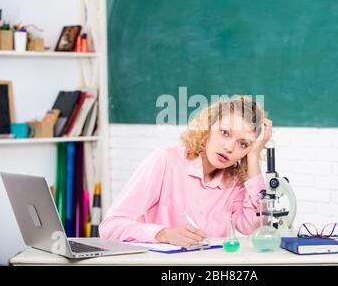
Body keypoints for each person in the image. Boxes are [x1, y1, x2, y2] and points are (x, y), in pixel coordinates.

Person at [99, 96, 272, 246]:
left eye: (243, 144)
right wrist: (163, 234)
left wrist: (253, 158)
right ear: (207, 127)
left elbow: (254, 227)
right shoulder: (166, 160)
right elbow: (110, 227)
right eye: (224, 132)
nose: (229, 147)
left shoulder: (235, 181)